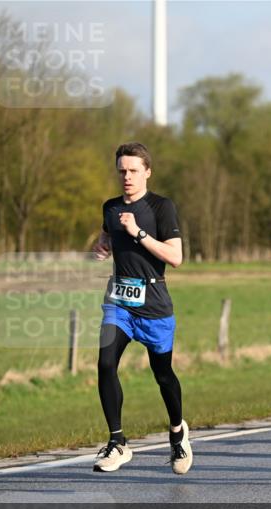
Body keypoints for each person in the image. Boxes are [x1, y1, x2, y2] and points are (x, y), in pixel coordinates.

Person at [91, 142, 191, 474]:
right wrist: (102, 246)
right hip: (119, 302)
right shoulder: (110, 207)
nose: (127, 176)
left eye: (133, 170)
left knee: (163, 375)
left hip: (154, 304)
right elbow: (107, 237)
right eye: (122, 171)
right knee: (106, 363)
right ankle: (117, 442)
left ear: (147, 172)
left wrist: (139, 233)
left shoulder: (161, 207)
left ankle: (177, 433)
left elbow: (175, 257)